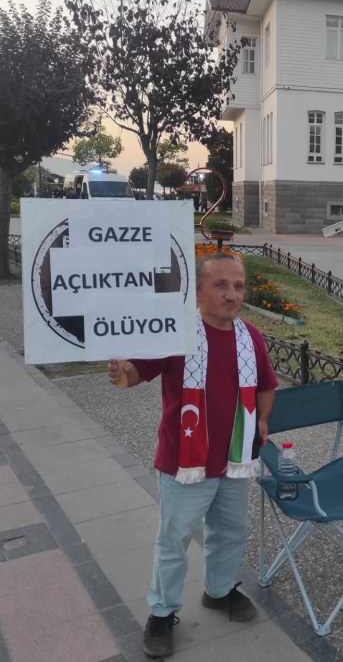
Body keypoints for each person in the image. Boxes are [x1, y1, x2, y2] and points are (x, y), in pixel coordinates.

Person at [108, 252, 278, 657]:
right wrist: (121, 372)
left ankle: (218, 591)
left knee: (230, 532)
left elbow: (265, 385)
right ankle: (162, 613)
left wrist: (262, 420)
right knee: (174, 540)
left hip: (235, 458)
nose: (232, 294)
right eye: (220, 285)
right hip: (185, 461)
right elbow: (136, 373)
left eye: (238, 286)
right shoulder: (176, 334)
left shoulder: (251, 337)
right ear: (197, 292)